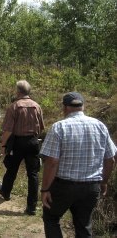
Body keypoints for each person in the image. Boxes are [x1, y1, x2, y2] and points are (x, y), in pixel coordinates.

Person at [40, 92, 116, 238]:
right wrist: (104, 182)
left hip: (64, 186)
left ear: (65, 108)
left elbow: (52, 163)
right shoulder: (100, 126)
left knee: (51, 218)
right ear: (82, 106)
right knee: (84, 224)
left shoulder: (59, 127)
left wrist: (45, 189)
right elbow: (111, 159)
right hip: (91, 186)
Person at [0, 80, 45, 216]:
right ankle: (32, 207)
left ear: (18, 91)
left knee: (12, 169)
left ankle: (6, 192)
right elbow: (41, 127)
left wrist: (3, 144)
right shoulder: (37, 106)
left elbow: (8, 130)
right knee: (33, 174)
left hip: (18, 142)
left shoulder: (14, 106)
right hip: (33, 142)